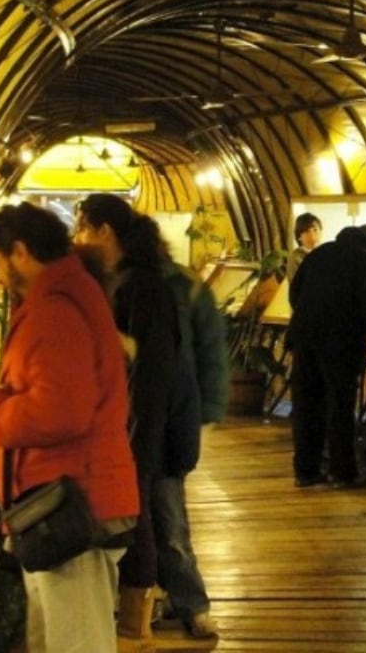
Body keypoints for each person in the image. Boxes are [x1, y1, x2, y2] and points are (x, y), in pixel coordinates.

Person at [0, 202, 139, 653]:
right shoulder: (65, 296)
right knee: (62, 638)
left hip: (74, 505)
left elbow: (60, 412)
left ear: (21, 252)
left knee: (76, 642)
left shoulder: (56, 311)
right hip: (64, 497)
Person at [73, 194, 178, 650]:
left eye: (81, 228)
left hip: (140, 418)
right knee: (138, 511)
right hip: (127, 417)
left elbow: (153, 364)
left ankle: (136, 626)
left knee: (137, 516)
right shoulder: (121, 281)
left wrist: (137, 425)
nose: (76, 238)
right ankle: (133, 619)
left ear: (104, 232)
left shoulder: (142, 286)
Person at [153, 256, 228, 639]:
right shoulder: (102, 281)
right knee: (160, 518)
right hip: (139, 423)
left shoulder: (181, 285)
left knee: (169, 518)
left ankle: (190, 602)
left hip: (171, 420)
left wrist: (209, 408)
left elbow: (210, 349)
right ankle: (149, 597)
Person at [287, 226, 366, 488]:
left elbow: (295, 293)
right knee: (340, 406)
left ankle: (306, 470)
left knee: (307, 404)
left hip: (305, 338)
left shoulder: (318, 254)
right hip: (342, 345)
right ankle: (342, 471)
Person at [284, 212, 322, 287]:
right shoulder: (295, 258)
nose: (312, 235)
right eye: (306, 231)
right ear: (299, 237)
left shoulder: (326, 254)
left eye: (315, 230)